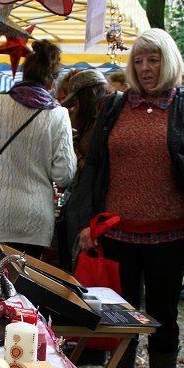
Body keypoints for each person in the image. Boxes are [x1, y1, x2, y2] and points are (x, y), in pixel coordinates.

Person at [73, 28, 184, 368]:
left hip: (171, 234)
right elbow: (92, 165)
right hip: (117, 235)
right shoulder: (114, 106)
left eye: (154, 59)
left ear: (169, 62)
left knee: (163, 316)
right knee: (118, 316)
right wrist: (86, 222)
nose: (145, 68)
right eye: (139, 60)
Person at [0, 40, 77, 259]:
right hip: (35, 220)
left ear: (23, 74)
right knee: (26, 289)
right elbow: (64, 175)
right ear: (52, 82)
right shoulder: (59, 115)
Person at [57, 69, 115, 270]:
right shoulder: (91, 120)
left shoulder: (105, 120)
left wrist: (74, 149)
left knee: (84, 266)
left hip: (92, 208)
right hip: (82, 204)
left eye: (76, 101)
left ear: (89, 95)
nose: (74, 107)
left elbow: (92, 169)